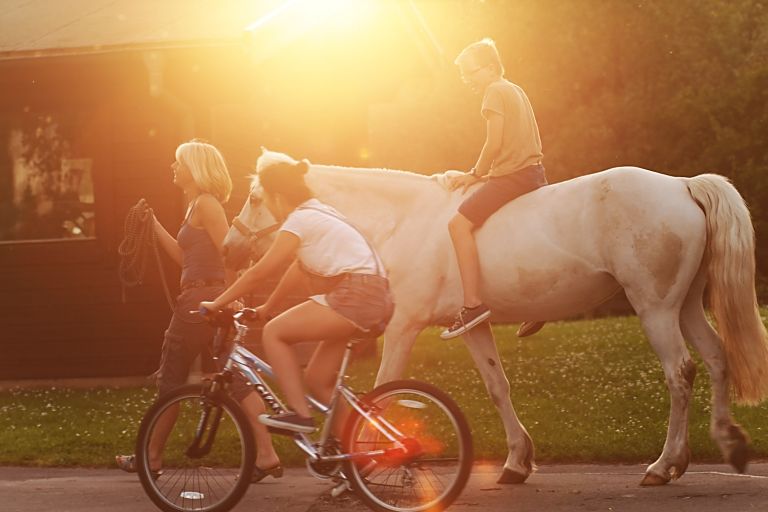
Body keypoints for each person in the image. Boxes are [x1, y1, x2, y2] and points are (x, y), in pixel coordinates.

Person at [116, 140, 283, 483]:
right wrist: (154, 226)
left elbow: (230, 254)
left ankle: (151, 457)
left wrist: (231, 296)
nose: (173, 168)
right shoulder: (197, 205)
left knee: (170, 380)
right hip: (205, 296)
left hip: (199, 303)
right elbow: (183, 257)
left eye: (178, 162)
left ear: (195, 168)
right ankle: (266, 456)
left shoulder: (207, 204)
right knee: (236, 380)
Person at [200, 156, 394, 434]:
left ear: (276, 196)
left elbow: (259, 273)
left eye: (264, 198)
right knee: (317, 380)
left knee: (274, 332)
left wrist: (216, 303)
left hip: (357, 295)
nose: (265, 204)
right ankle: (354, 453)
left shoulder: (299, 220)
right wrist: (268, 306)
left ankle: (300, 416)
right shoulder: (320, 212)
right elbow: (299, 269)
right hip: (377, 296)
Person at [440, 38, 548, 340]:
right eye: (463, 75)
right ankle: (538, 305)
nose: (467, 80)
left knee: (458, 225)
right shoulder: (514, 89)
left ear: (488, 68)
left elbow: (494, 143)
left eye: (470, 72)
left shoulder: (493, 92)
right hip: (534, 173)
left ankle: (472, 305)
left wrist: (475, 174)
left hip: (512, 177)